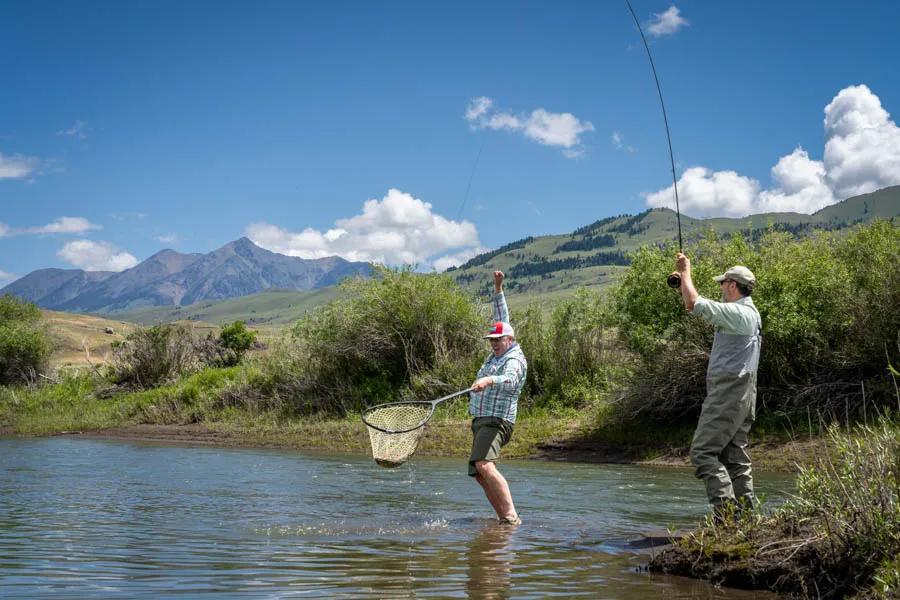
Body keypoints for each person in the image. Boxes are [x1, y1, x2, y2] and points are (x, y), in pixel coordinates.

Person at [674, 253, 762, 517]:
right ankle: (747, 519)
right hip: (743, 394)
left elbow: (694, 304)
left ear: (733, 285)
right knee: (735, 458)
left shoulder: (739, 313)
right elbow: (691, 301)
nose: (721, 288)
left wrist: (685, 271)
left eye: (723, 283)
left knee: (703, 453)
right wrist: (684, 285)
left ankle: (726, 518)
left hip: (729, 393)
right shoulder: (748, 314)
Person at [469, 270, 527, 526]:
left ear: (510, 339)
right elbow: (501, 317)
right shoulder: (498, 351)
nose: (493, 343)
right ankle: (503, 518)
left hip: (497, 420)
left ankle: (511, 517)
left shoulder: (514, 358)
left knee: (484, 465)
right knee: (479, 473)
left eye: (498, 339)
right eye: (491, 339)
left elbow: (511, 380)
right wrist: (498, 287)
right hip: (482, 420)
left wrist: (489, 379)